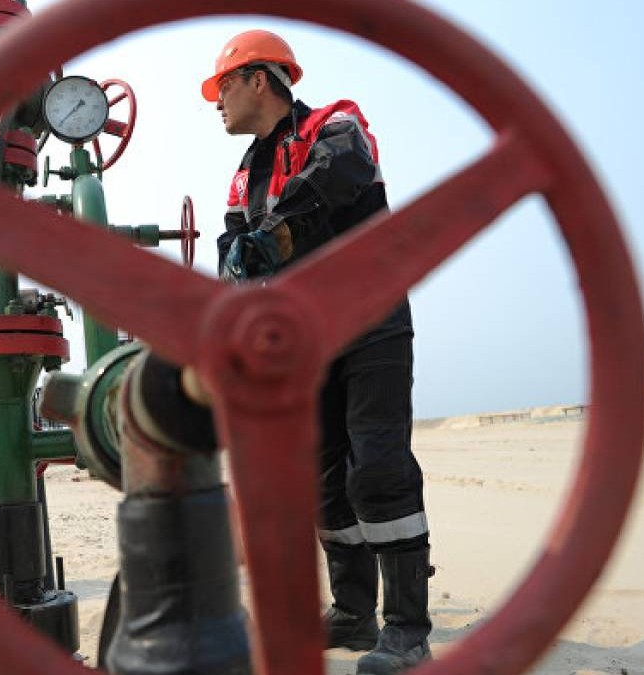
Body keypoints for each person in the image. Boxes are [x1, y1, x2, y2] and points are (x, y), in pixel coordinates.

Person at [200, 30, 433, 674]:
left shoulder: (336, 124)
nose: (216, 102)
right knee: (327, 479)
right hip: (307, 338)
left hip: (371, 319)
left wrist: (270, 239)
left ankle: (408, 630)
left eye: (223, 86)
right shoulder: (245, 174)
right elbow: (231, 246)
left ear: (260, 79)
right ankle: (355, 614)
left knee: (377, 468)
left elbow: (336, 177)